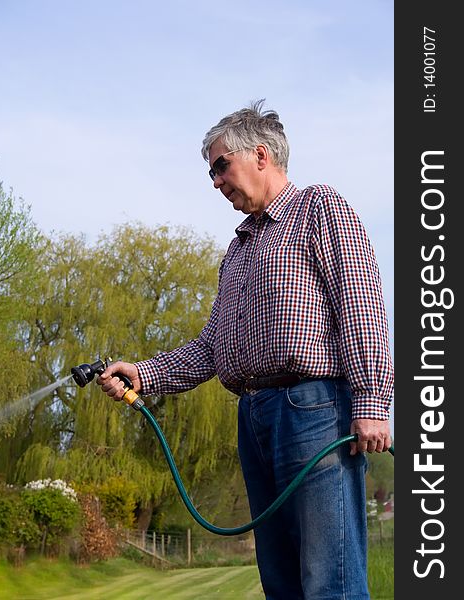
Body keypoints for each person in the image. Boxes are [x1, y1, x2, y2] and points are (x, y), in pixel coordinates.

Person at [97, 100, 393, 600]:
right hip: (254, 418)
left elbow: (360, 304)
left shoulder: (320, 207)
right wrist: (144, 374)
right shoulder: (237, 251)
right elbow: (212, 347)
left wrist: (370, 403)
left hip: (314, 411)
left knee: (329, 579)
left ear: (259, 154)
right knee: (280, 579)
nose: (215, 182)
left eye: (220, 166)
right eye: (211, 172)